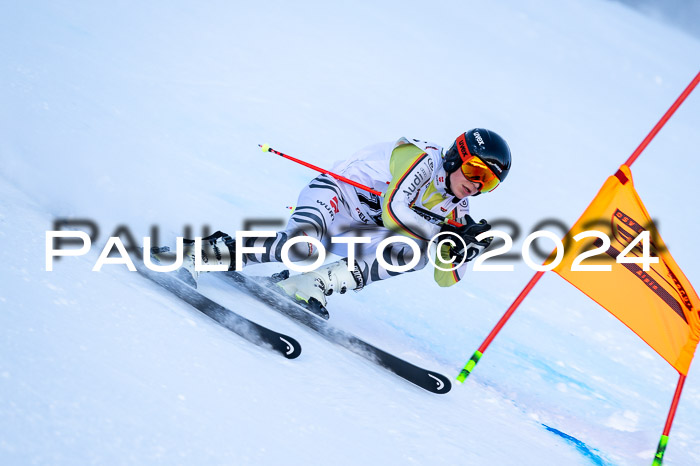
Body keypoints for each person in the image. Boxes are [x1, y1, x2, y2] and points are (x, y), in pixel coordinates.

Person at [176, 128, 511, 318]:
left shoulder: (458, 209)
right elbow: (395, 210)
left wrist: (461, 252)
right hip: (335, 198)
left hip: (360, 230)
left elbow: (444, 279)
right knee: (303, 246)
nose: (477, 184)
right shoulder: (422, 159)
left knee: (415, 253)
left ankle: (308, 286)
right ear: (456, 157)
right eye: (474, 171)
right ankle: (199, 254)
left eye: (489, 182)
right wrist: (440, 234)